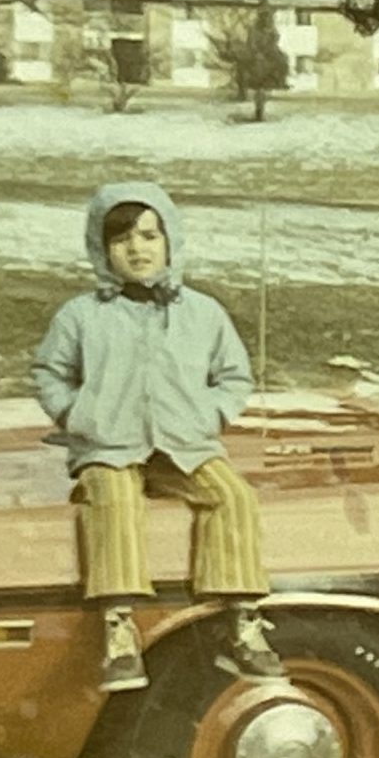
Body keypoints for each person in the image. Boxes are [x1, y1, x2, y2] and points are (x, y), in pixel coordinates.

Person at [32, 181, 282, 692]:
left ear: (171, 241)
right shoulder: (82, 316)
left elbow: (233, 376)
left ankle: (240, 622)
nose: (137, 249)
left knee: (233, 497)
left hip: (183, 443)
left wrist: (208, 415)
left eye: (149, 235)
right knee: (116, 501)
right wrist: (77, 413)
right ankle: (120, 629)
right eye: (121, 240)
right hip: (109, 444)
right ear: (102, 252)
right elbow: (48, 373)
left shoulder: (202, 313)